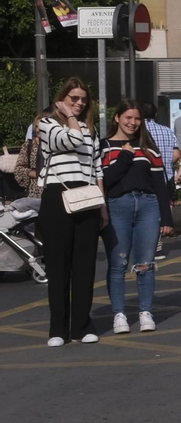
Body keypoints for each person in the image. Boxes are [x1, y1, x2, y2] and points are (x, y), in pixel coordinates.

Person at [101, 101, 175, 334]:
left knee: (146, 264)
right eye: (128, 118)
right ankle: (119, 314)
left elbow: (159, 185)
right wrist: (124, 157)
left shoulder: (149, 147)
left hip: (148, 207)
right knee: (118, 264)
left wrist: (167, 218)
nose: (132, 123)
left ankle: (145, 312)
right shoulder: (103, 147)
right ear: (117, 118)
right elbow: (104, 180)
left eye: (137, 119)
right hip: (116, 206)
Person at [38, 79, 102, 347]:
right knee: (58, 265)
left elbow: (97, 168)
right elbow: (71, 140)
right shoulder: (46, 124)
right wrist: (69, 118)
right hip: (57, 196)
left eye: (83, 99)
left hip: (87, 197)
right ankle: (57, 329)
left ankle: (81, 326)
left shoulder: (91, 129)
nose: (79, 103)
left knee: (84, 265)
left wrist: (104, 207)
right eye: (73, 98)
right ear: (61, 99)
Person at [140, 102, 177, 261]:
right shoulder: (167, 131)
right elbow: (176, 154)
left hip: (146, 177)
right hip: (166, 175)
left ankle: (148, 244)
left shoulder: (139, 132)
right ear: (155, 115)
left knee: (145, 211)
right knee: (160, 209)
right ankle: (158, 244)